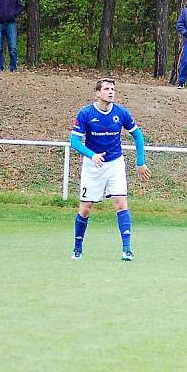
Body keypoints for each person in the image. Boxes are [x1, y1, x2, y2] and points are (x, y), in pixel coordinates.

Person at [70, 78, 152, 261]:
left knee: (121, 203)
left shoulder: (121, 112)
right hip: (93, 166)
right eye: (106, 89)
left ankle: (127, 249)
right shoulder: (86, 113)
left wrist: (141, 162)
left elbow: (138, 136)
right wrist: (92, 155)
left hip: (115, 163)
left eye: (113, 89)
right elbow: (74, 141)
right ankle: (77, 248)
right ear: (97, 93)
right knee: (86, 208)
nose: (110, 92)